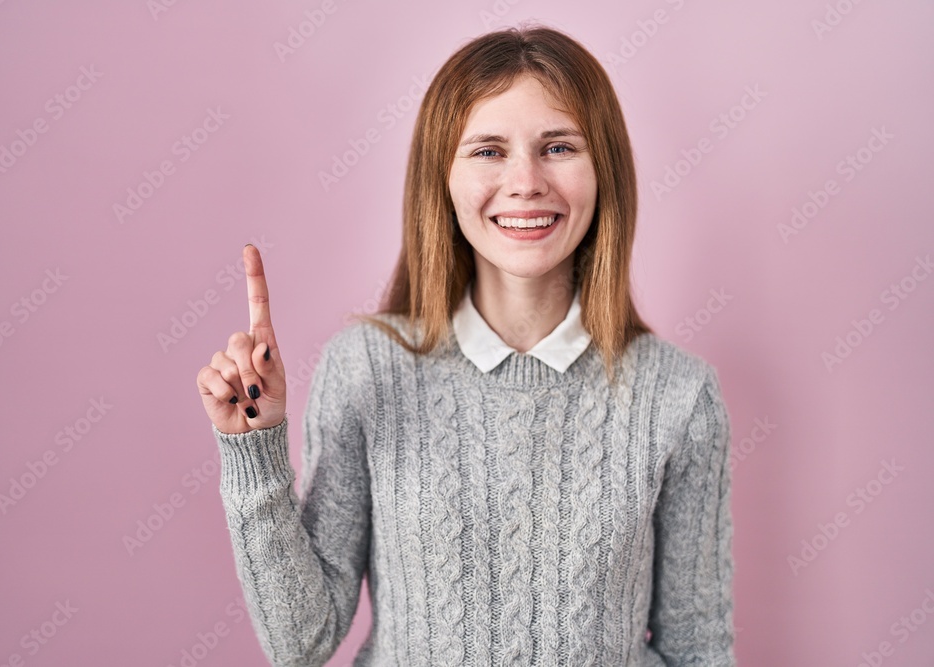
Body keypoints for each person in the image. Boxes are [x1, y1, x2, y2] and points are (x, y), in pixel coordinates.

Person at [196, 24, 736, 667]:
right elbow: (301, 642)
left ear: (605, 171)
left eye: (558, 146)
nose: (526, 182)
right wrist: (252, 449)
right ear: (443, 180)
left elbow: (698, 650)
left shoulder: (679, 395)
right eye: (487, 151)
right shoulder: (365, 369)